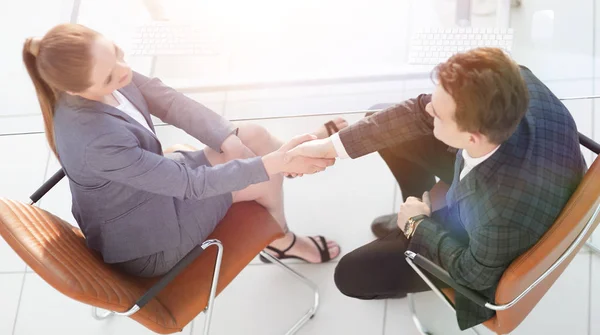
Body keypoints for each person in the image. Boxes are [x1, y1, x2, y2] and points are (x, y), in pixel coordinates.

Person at [285, 47, 587, 330]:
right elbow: (416, 111)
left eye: (438, 113)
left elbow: (473, 275)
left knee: (349, 275)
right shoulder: (514, 79)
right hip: (525, 165)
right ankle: (412, 210)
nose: (427, 107)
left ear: (472, 138)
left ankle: (410, 228)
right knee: (384, 121)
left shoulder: (500, 215)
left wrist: (419, 227)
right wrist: (328, 148)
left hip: (487, 236)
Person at [22, 23, 348, 278]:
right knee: (265, 177)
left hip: (154, 187)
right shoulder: (95, 141)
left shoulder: (105, 69)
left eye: (117, 53)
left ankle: (291, 160)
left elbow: (169, 102)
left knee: (251, 135)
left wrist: (227, 139)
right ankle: (283, 242)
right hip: (150, 239)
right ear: (74, 90)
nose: (125, 70)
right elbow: (189, 185)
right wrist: (268, 164)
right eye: (110, 76)